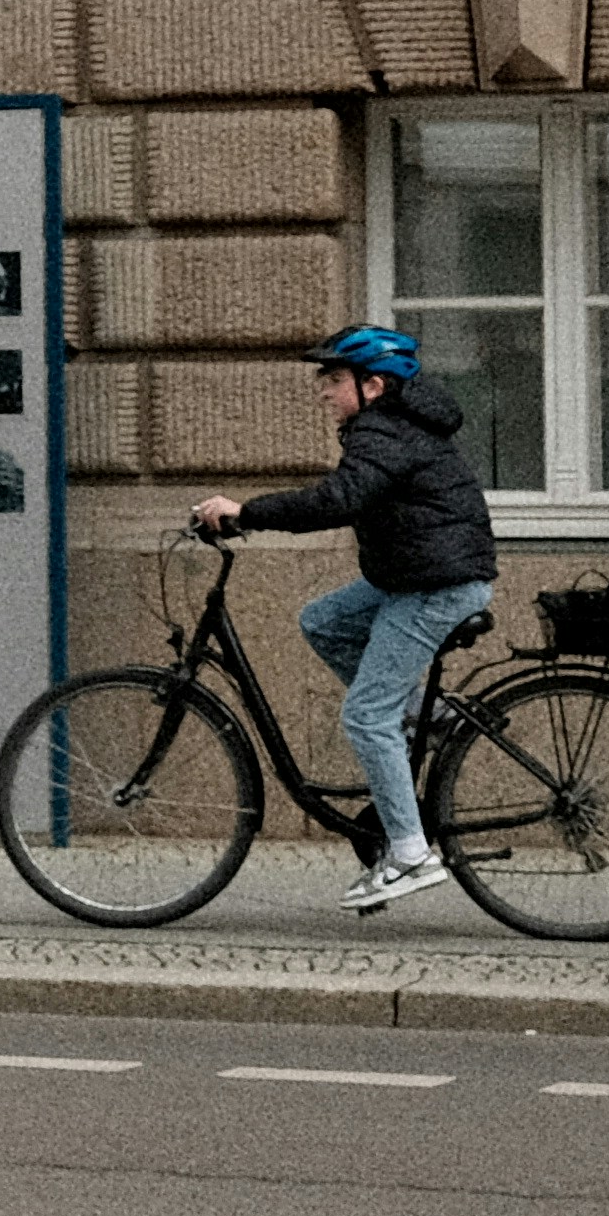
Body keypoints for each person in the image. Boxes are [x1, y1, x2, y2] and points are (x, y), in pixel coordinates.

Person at [190, 324, 494, 910]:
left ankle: (409, 855)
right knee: (323, 620)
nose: (322, 391)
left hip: (436, 587)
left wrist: (242, 513)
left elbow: (337, 501)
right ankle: (424, 719)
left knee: (365, 716)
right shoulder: (390, 425)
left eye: (333, 379)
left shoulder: (383, 432)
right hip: (415, 577)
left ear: (373, 385)